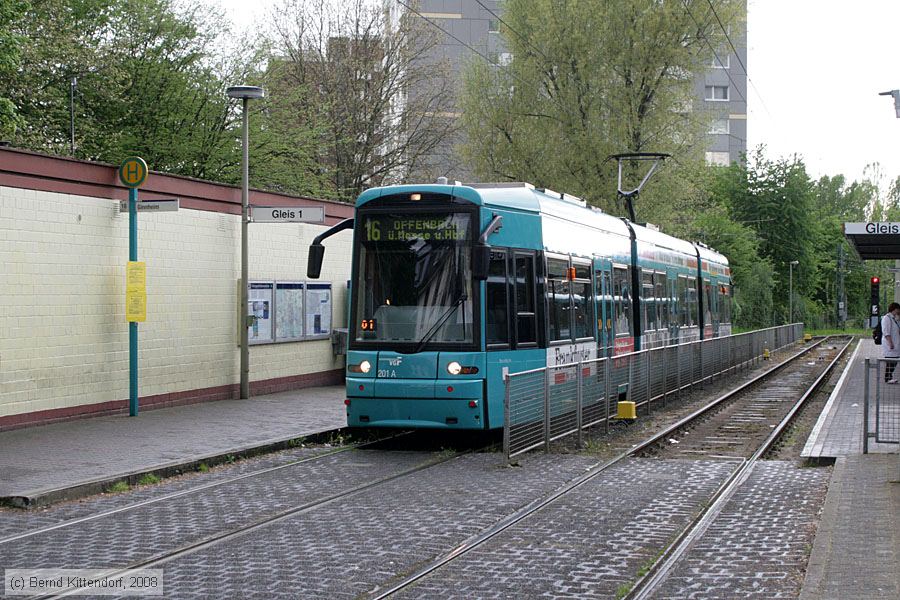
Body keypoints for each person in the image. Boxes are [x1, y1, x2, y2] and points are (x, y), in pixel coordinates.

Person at [881, 302, 900, 383]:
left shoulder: (894, 318)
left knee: (894, 360)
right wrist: (890, 343)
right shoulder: (887, 318)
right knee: (891, 361)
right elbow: (886, 332)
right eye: (898, 309)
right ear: (894, 309)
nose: (898, 311)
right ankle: (888, 378)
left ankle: (889, 377)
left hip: (895, 342)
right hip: (890, 343)